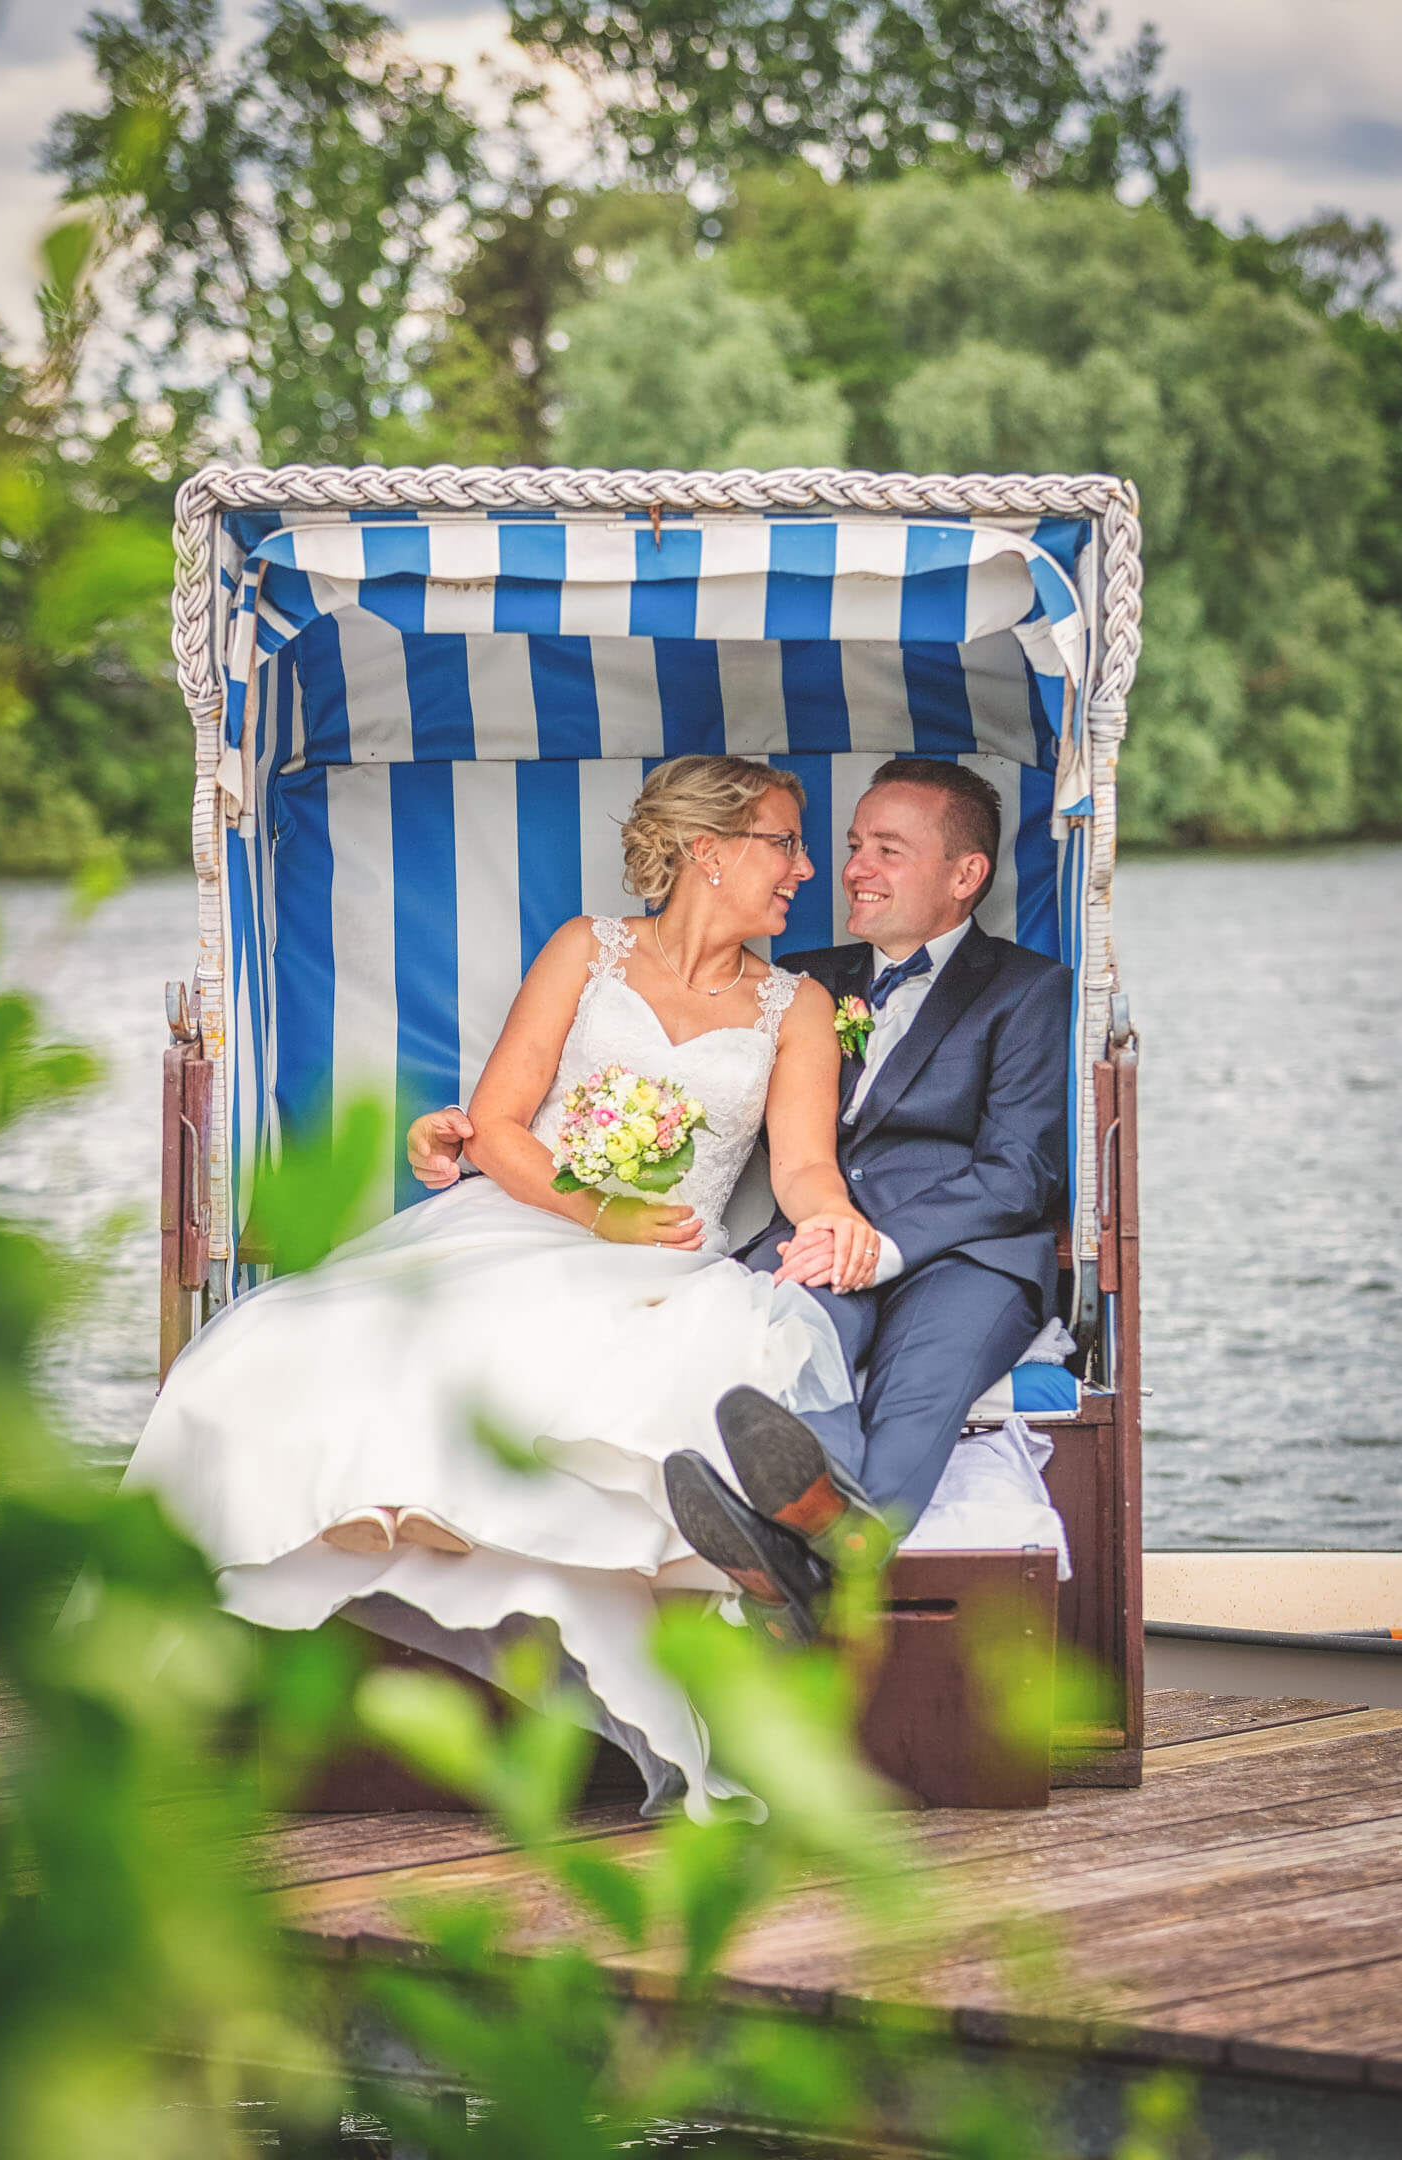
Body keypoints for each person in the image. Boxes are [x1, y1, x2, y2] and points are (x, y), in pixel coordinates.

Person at [122, 755, 879, 1819]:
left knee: (604, 1366)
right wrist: (593, 1208)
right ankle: (365, 1520)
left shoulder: (797, 1007)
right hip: (527, 1219)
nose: (806, 868)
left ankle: (444, 1512)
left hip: (669, 1264)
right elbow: (502, 1123)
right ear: (707, 850)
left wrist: (833, 1214)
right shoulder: (587, 948)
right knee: (292, 1339)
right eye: (786, 842)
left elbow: (801, 1166)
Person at [410, 758, 1072, 1630]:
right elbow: (515, 1115)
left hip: (962, 1253)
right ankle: (812, 1533)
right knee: (796, 1342)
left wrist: (860, 1229)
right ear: (707, 850)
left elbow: (1018, 1170)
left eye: (885, 850)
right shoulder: (808, 976)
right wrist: (459, 1135)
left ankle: (823, 1562)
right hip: (800, 1238)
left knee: (919, 1380)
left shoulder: (1025, 989)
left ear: (965, 875)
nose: (838, 870)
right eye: (840, 846)